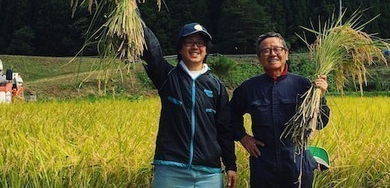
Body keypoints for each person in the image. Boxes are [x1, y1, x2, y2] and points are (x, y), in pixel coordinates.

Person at [141, 22, 237, 188]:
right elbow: (151, 51)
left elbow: (224, 129)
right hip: (171, 169)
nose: (195, 47)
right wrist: (133, 11)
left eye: (200, 43)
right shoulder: (167, 77)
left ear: (206, 49)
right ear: (180, 48)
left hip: (209, 174)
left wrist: (230, 165)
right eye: (189, 42)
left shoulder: (216, 86)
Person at [230, 32, 330, 188]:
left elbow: (320, 122)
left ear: (286, 53)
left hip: (297, 160)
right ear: (259, 58)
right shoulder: (249, 88)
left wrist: (321, 97)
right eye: (266, 51)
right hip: (263, 162)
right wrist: (243, 137)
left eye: (277, 49)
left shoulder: (303, 85)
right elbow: (229, 116)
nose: (272, 54)